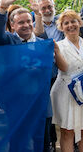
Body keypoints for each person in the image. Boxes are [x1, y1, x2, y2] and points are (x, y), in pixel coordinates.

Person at [50, 10, 83, 152]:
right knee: (67, 131)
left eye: (73, 21)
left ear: (80, 23)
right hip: (66, 91)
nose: (70, 25)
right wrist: (57, 51)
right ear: (61, 27)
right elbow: (64, 68)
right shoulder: (59, 45)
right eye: (66, 23)